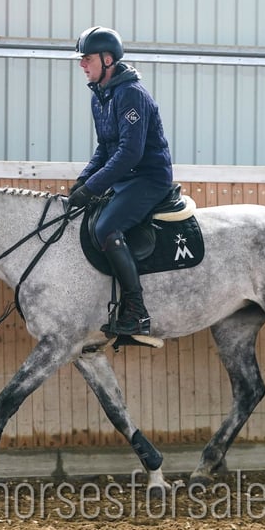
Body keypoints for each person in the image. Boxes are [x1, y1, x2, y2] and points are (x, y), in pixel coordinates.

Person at [67, 26, 174, 337]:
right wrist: (82, 182)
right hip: (125, 179)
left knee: (106, 228)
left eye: (86, 59)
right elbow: (105, 147)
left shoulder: (130, 95)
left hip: (148, 178)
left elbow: (130, 153)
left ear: (108, 59)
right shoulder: (100, 97)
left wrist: (93, 187)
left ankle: (137, 311)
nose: (82, 65)